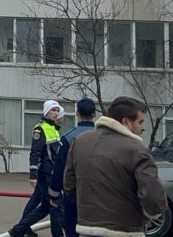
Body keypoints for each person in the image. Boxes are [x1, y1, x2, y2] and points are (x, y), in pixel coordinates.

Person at [64, 96, 166, 237]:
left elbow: (69, 185)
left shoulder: (80, 142)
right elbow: (153, 195)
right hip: (125, 229)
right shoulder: (137, 150)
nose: (143, 127)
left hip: (87, 227)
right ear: (125, 122)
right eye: (140, 122)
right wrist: (153, 213)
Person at [9, 100, 64, 237]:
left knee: (41, 204)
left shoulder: (53, 128)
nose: (56, 113)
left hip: (50, 173)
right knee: (53, 206)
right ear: (46, 112)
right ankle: (19, 230)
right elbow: (35, 153)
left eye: (57, 110)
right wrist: (33, 175)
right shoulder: (40, 129)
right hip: (46, 174)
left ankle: (20, 229)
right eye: (53, 110)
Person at [48, 98, 96, 237]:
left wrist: (54, 194)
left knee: (73, 230)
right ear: (94, 114)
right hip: (99, 195)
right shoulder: (103, 137)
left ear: (76, 113)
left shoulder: (68, 138)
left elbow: (59, 168)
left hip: (74, 194)